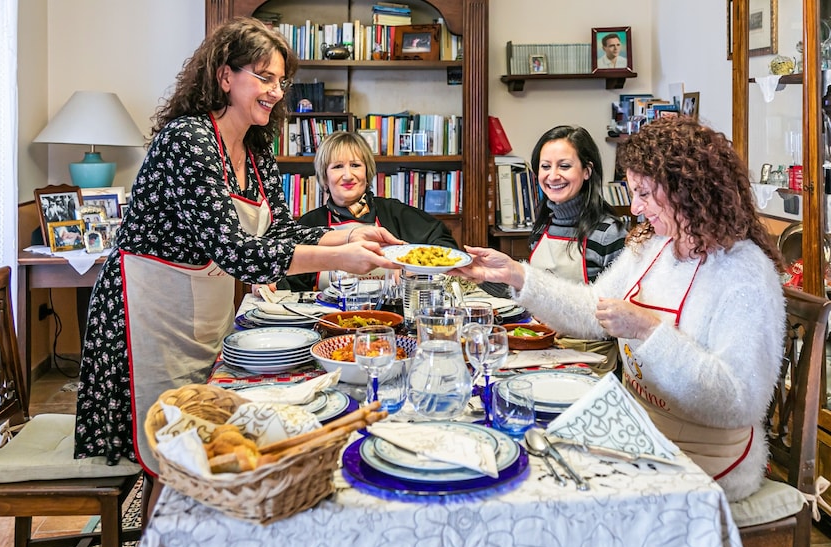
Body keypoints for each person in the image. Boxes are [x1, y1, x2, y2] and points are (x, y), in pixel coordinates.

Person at [73, 17, 400, 499]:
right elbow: (238, 252)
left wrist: (348, 230)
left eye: (280, 80)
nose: (275, 90)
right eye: (264, 77)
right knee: (170, 445)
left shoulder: (255, 147)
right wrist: (342, 258)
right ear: (226, 77)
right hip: (145, 312)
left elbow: (281, 231)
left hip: (200, 310)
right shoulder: (188, 139)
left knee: (204, 429)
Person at [453, 116, 785, 502]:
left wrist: (649, 331)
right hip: (639, 428)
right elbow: (591, 308)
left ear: (685, 189)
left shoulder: (744, 272)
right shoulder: (655, 247)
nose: (635, 207)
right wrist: (517, 276)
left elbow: (739, 402)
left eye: (644, 193)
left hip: (708, 457)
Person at [276, 130, 474, 292]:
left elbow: (445, 248)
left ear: (367, 172)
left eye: (355, 165)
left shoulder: (394, 212)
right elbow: (286, 278)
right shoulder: (308, 224)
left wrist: (412, 271)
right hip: (328, 319)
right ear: (324, 177)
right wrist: (269, 284)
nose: (348, 175)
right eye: (337, 166)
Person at [527, 125, 628, 373]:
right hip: (540, 353)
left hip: (591, 364)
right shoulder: (542, 227)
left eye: (564, 166)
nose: (552, 176)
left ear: (587, 171)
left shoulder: (608, 233)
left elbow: (618, 316)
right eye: (545, 166)